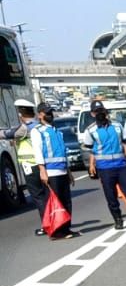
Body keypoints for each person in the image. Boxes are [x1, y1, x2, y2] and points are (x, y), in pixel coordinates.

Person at [81, 100, 126, 230]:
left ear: (105, 111)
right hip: (104, 168)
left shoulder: (117, 126)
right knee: (111, 196)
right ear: (92, 114)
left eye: (101, 110)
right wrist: (92, 165)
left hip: (121, 165)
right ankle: (118, 219)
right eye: (96, 112)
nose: (100, 113)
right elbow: (91, 150)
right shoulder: (90, 131)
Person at [30, 103, 78, 240]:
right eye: (46, 113)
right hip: (51, 172)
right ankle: (56, 231)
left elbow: (63, 152)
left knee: (66, 202)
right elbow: (38, 152)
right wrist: (42, 171)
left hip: (62, 170)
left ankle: (66, 228)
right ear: (40, 115)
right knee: (55, 203)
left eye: (50, 112)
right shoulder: (37, 131)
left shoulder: (57, 131)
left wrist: (69, 172)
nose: (49, 115)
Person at [2, 98, 43, 232]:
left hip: (31, 166)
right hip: (42, 165)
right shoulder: (40, 125)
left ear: (21, 114)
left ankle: (47, 225)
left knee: (38, 196)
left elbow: (8, 134)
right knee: (46, 195)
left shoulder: (25, 127)